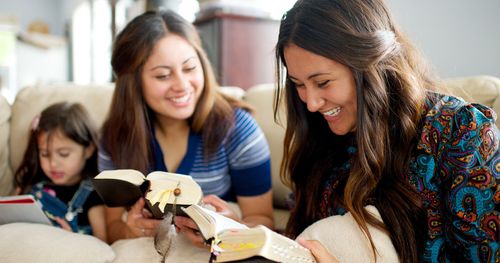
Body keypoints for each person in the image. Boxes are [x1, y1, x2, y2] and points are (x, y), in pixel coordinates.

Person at [274, 0, 499, 262]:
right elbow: (303, 240)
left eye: (322, 82)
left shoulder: (462, 133)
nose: (311, 104)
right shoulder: (319, 138)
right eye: (298, 84)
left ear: (371, 65)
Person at [99, 10, 274, 244]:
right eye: (163, 75)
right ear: (133, 84)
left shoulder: (238, 129)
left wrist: (232, 227)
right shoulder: (115, 137)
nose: (182, 85)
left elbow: (263, 220)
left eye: (190, 68)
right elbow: (112, 229)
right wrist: (130, 230)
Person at [14, 102, 106, 241]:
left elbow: (103, 244)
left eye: (63, 154)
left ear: (88, 150)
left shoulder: (93, 195)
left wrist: (73, 240)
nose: (53, 164)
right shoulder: (31, 183)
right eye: (45, 154)